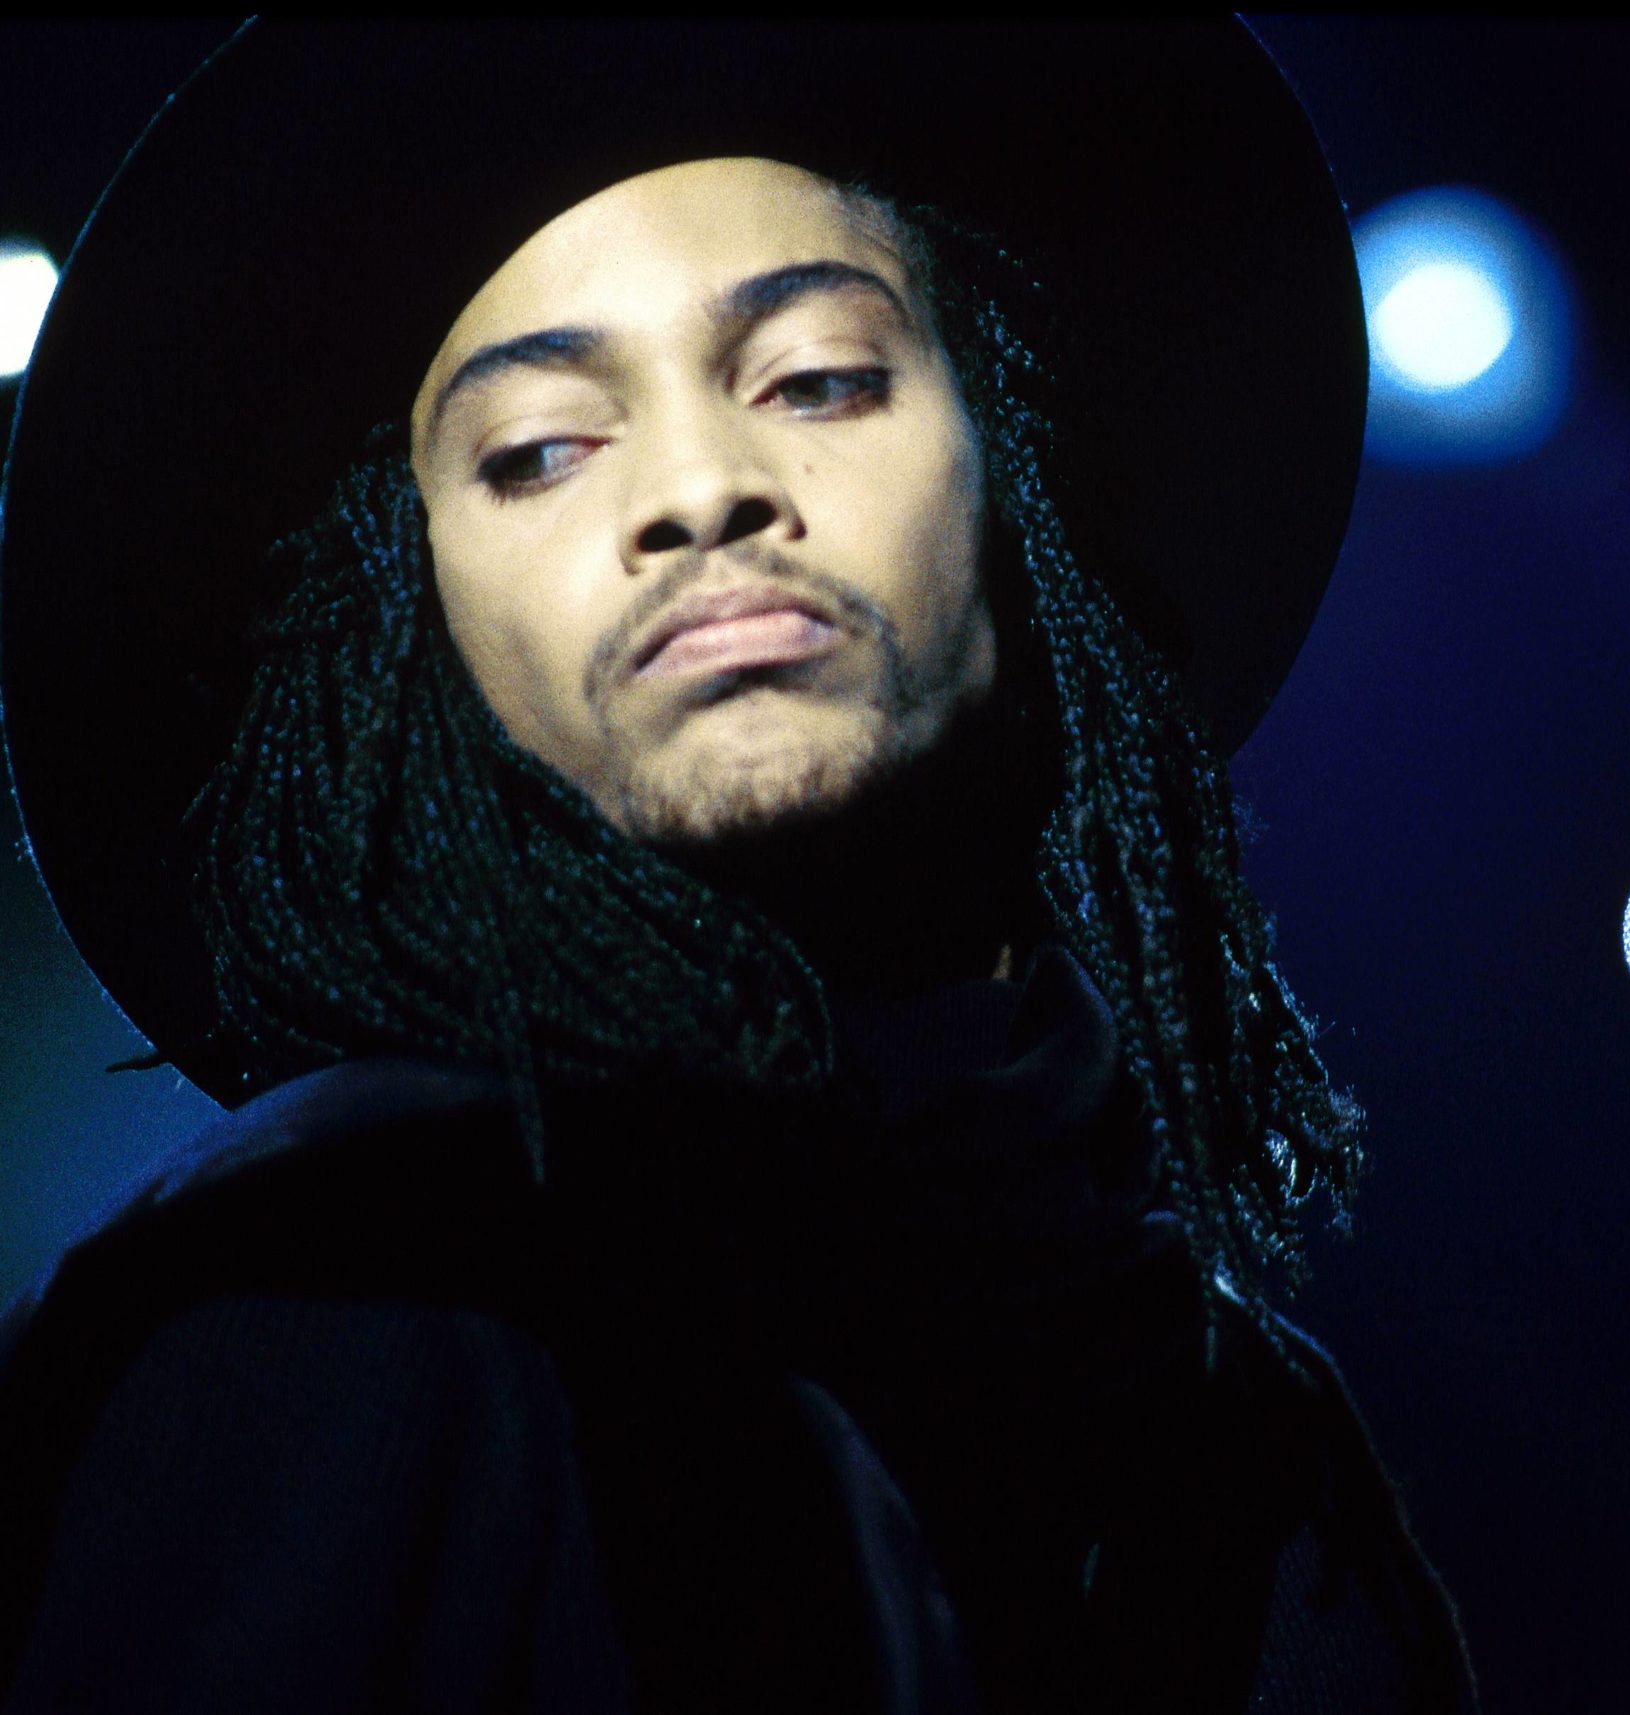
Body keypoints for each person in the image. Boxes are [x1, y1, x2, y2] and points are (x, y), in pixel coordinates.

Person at [0, 20, 1473, 1713]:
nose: (702, 491)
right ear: (410, 632)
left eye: (819, 380)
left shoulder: (1250, 1452)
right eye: (539, 451)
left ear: (1018, 484)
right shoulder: (346, 1284)